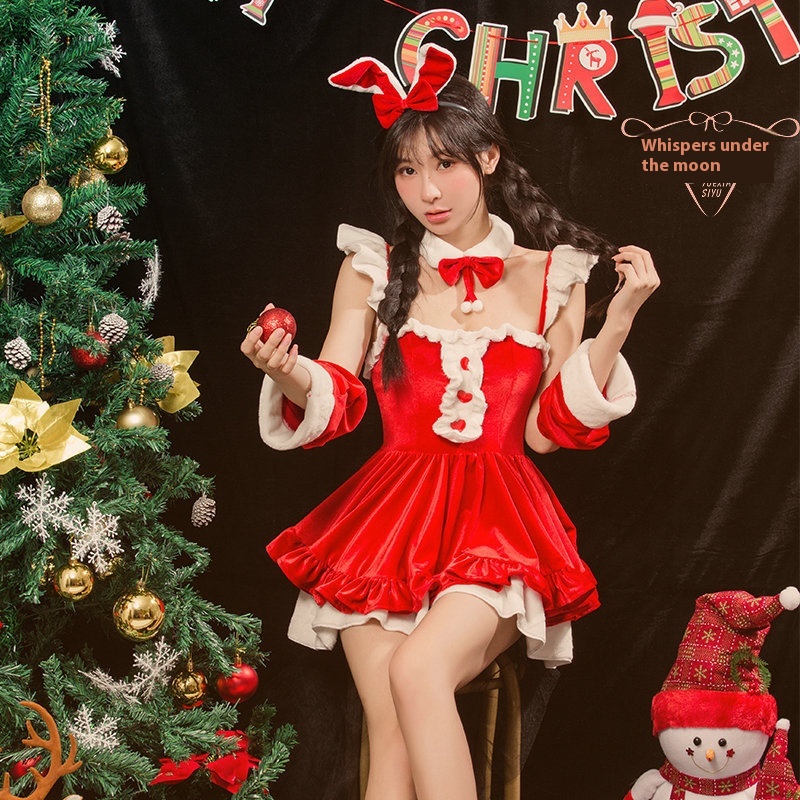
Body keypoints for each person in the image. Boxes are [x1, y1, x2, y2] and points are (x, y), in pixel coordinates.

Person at [241, 44, 659, 800]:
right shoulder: (372, 267)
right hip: (383, 522)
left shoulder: (554, 274)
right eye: (406, 171)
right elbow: (337, 388)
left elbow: (547, 430)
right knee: (391, 732)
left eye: (445, 165)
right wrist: (284, 370)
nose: (426, 190)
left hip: (500, 524)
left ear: (488, 158)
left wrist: (619, 321)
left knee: (419, 670)